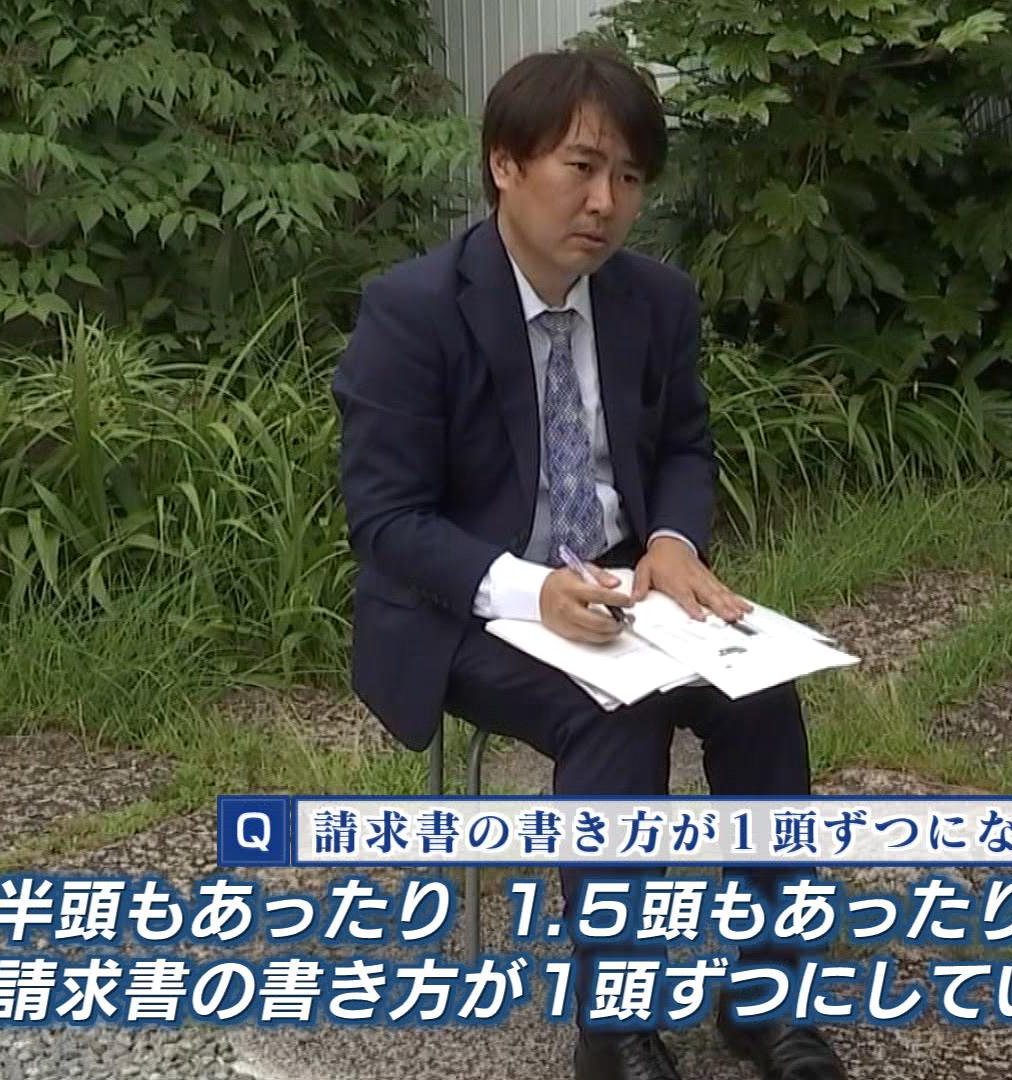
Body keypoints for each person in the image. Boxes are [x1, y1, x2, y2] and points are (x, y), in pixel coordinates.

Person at [333, 46, 849, 1080]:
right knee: (614, 714)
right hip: (469, 606)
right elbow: (386, 521)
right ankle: (616, 1025)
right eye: (580, 167)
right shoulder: (413, 310)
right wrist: (534, 591)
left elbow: (685, 445)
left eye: (630, 177)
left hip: (625, 588)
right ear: (505, 165)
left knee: (760, 696)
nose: (606, 203)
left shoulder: (653, 300)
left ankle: (767, 991)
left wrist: (670, 543)